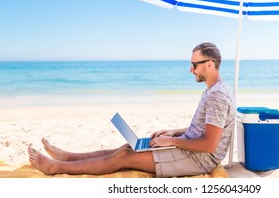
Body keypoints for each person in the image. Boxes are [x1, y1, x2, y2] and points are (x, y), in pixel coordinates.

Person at [28, 42, 235, 177]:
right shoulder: (213, 90)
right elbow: (204, 129)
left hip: (199, 159)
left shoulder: (217, 95)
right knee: (126, 147)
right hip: (190, 149)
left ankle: (55, 167)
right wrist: (174, 132)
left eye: (194, 64)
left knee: (123, 157)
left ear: (209, 64)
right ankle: (68, 157)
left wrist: (171, 141)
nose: (191, 69)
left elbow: (209, 144)